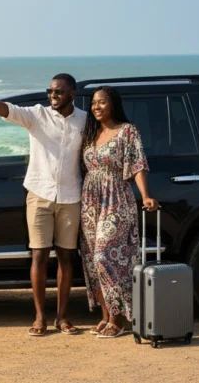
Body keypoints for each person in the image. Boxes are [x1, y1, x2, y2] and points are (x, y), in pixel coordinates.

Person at [0, 73, 86, 337]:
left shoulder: (85, 120)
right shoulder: (37, 115)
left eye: (58, 92)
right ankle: (40, 317)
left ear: (72, 93)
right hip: (39, 193)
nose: (52, 96)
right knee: (38, 255)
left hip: (71, 196)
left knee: (67, 258)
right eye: (50, 91)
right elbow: (6, 109)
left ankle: (62, 317)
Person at [79, 86, 158, 339]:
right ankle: (105, 316)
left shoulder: (127, 131)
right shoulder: (91, 133)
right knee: (93, 262)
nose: (96, 107)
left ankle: (119, 318)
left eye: (101, 102)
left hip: (117, 198)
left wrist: (145, 195)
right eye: (93, 103)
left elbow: (137, 164)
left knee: (106, 256)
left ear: (113, 104)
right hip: (90, 201)